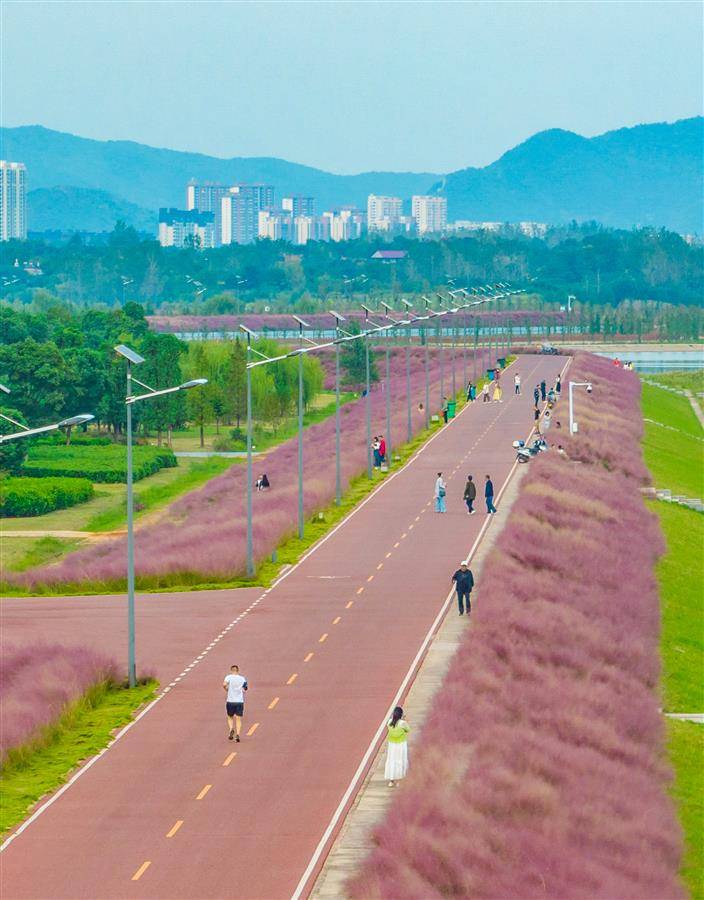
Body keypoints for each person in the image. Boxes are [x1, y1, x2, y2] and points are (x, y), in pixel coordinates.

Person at [384, 706, 410, 787]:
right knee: (401, 761)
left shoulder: (389, 722)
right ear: (401, 715)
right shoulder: (402, 723)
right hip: (401, 745)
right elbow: (408, 729)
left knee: (392, 761)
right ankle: (400, 781)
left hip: (392, 745)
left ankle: (391, 781)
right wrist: (404, 720)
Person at [223, 664, 248, 742]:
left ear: (231, 670)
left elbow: (224, 684)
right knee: (238, 719)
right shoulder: (242, 678)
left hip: (230, 700)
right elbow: (245, 688)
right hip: (239, 701)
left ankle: (231, 729)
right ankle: (238, 734)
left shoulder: (228, 677)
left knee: (230, 717)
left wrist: (227, 689)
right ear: (238, 671)